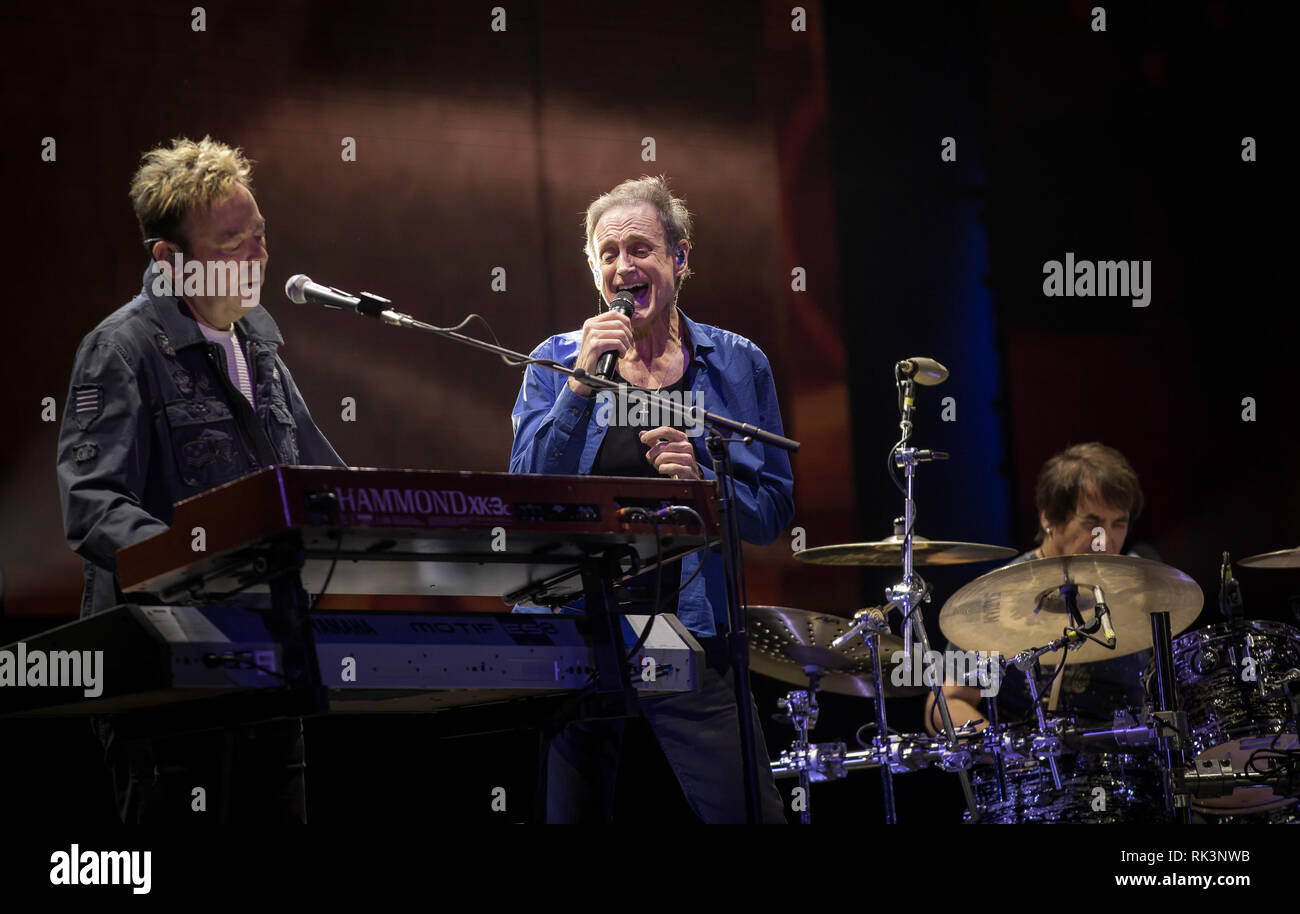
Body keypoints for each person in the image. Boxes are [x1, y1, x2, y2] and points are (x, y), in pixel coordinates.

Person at [57, 136, 345, 822]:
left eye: (260, 235)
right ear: (168, 260)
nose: (258, 257)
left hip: (268, 655)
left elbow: (319, 481)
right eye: (231, 245)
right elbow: (93, 504)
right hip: (164, 671)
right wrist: (212, 566)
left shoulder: (262, 349)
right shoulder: (119, 349)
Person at [509, 175, 794, 823]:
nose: (622, 266)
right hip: (578, 631)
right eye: (607, 254)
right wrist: (579, 388)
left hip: (685, 632)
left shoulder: (736, 365)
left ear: (679, 259)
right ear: (592, 269)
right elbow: (526, 494)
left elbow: (773, 511)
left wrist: (706, 482)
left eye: (639, 249)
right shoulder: (555, 362)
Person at [925, 442, 1155, 734]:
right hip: (1038, 769)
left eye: (1118, 524)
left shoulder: (1141, 587)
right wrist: (1012, 754)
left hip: (1130, 765)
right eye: (1092, 523)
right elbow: (947, 703)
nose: (1105, 541)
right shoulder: (998, 595)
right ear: (1048, 518)